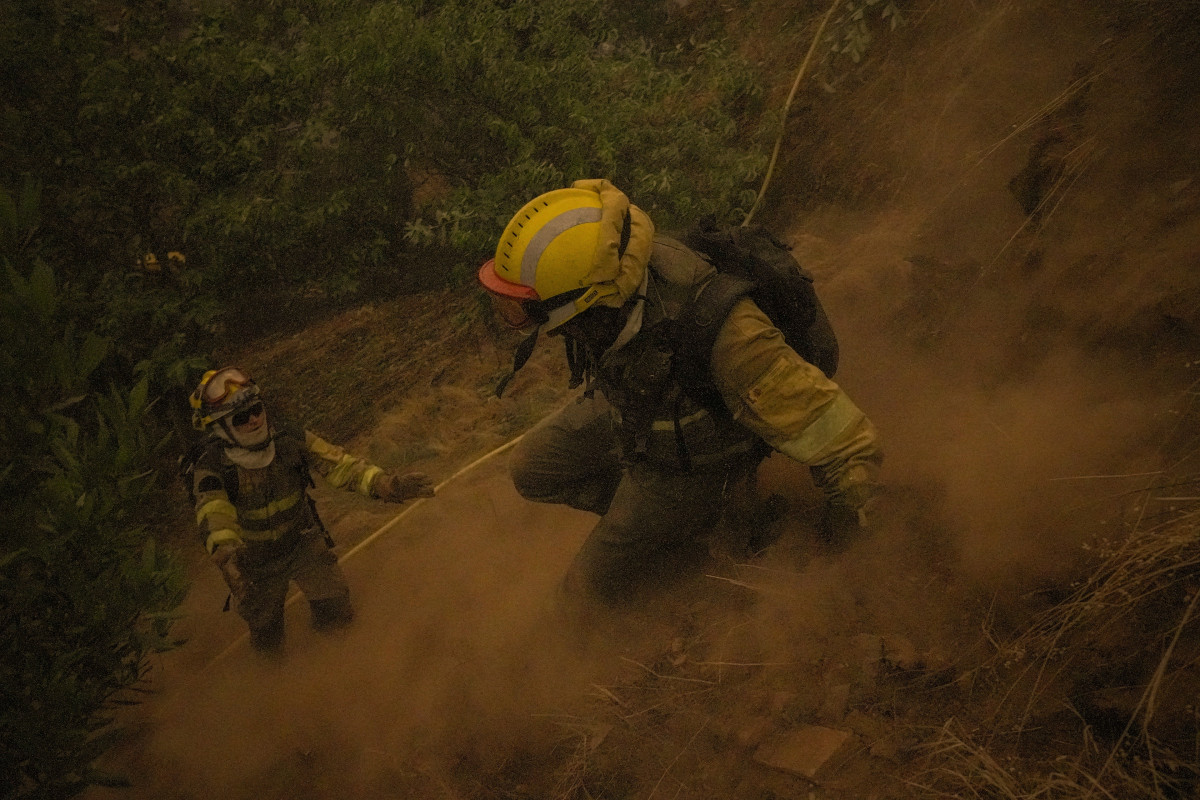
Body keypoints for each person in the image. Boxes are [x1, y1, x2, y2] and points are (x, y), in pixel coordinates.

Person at [477, 179, 882, 611]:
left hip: (685, 467)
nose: (515, 317)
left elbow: (847, 443)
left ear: (581, 301)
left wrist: (849, 553)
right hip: (640, 412)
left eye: (524, 305)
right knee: (532, 467)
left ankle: (701, 520)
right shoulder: (618, 280)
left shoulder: (729, 336)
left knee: (579, 598)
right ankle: (679, 536)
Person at [188, 366, 435, 655]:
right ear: (222, 428)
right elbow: (214, 516)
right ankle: (276, 682)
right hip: (254, 563)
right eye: (241, 417)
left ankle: (338, 661)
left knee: (335, 607)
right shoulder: (214, 467)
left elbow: (341, 465)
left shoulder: (290, 439)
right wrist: (232, 566)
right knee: (267, 634)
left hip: (301, 541)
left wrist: (388, 485)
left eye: (256, 409)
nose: (254, 419)